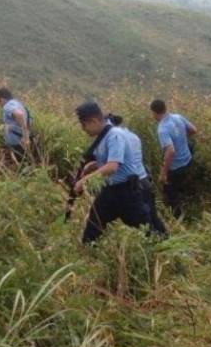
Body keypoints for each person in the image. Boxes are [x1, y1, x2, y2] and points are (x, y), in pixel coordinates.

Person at [73, 102, 167, 244]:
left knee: (148, 231)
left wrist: (84, 181)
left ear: (93, 121)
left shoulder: (114, 136)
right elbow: (111, 161)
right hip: (112, 189)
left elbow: (112, 166)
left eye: (84, 125)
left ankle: (164, 253)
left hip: (128, 191)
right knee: (94, 223)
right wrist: (91, 167)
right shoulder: (108, 137)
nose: (83, 129)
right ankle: (87, 250)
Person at [150, 99, 198, 218]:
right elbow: (193, 130)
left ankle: (178, 220)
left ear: (154, 112)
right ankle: (190, 205)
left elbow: (170, 151)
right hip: (187, 160)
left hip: (175, 167)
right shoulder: (178, 117)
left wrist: (164, 173)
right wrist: (181, 138)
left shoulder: (162, 129)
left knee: (170, 194)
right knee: (181, 186)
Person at [0, 87, 31, 163]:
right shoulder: (18, 104)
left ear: (1, 99)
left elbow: (19, 115)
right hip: (20, 144)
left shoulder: (7, 106)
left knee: (18, 168)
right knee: (23, 166)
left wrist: (25, 137)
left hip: (16, 145)